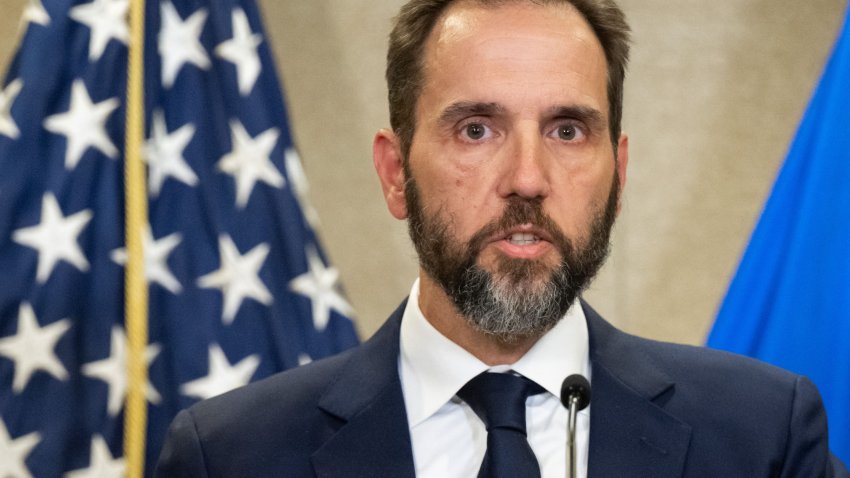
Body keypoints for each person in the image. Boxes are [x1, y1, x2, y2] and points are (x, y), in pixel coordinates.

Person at [154, 0, 849, 476]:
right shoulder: (232, 456)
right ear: (395, 175)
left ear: (619, 173)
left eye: (568, 130)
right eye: (476, 129)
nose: (527, 178)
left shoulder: (763, 438)